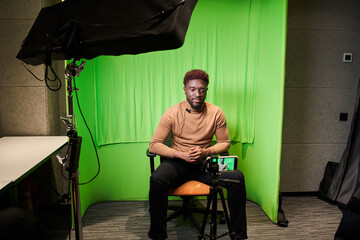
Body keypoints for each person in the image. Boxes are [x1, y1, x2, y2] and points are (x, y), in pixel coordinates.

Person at [148, 69, 247, 240]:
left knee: (237, 178)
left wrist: (205, 152)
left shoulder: (216, 112)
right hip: (178, 162)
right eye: (192, 89)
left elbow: (225, 143)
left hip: (204, 162)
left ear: (206, 90)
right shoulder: (172, 113)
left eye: (202, 90)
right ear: (185, 89)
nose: (197, 94)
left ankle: (238, 234)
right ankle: (158, 235)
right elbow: (154, 145)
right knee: (157, 179)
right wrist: (180, 154)